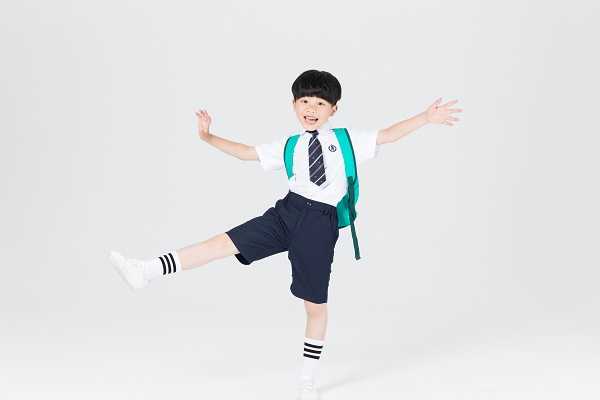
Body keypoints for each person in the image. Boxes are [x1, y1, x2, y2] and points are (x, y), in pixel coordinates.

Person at [109, 69, 462, 399]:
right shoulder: (290, 145)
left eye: (320, 103)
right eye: (305, 101)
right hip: (286, 213)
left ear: (334, 109)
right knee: (220, 244)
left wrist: (425, 118)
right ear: (293, 105)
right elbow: (247, 154)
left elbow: (387, 134)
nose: (311, 109)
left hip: (320, 225)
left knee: (315, 305)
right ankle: (146, 271)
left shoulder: (347, 139)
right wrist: (208, 137)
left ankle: (308, 377)